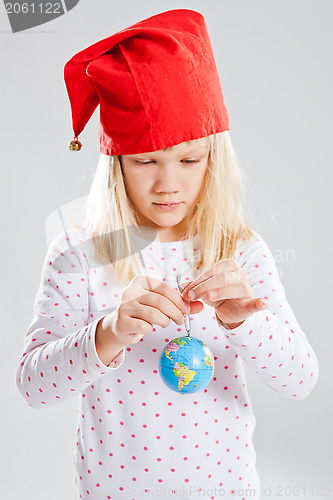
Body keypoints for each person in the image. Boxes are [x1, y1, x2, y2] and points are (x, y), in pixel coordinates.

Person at [16, 8, 319, 500]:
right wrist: (108, 332)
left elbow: (301, 380)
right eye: (145, 162)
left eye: (189, 159)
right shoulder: (81, 253)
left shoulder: (239, 250)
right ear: (115, 163)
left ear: (213, 158)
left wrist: (246, 323)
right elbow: (33, 386)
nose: (167, 184)